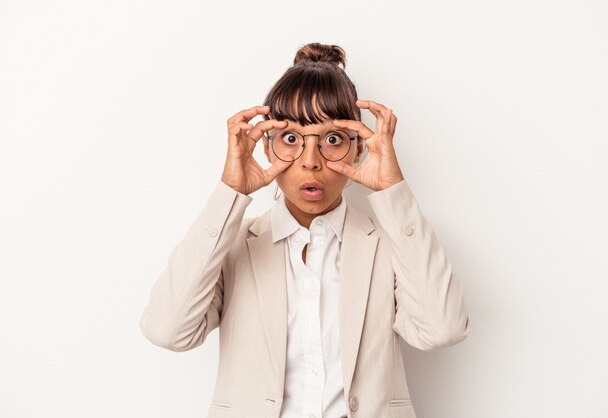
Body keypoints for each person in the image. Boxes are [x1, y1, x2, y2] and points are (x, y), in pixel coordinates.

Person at [139, 42, 470, 418]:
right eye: (291, 139)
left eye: (332, 139)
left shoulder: (389, 243)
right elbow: (167, 330)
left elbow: (442, 329)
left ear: (359, 149)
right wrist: (228, 194)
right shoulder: (231, 245)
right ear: (266, 148)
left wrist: (393, 191)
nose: (310, 162)